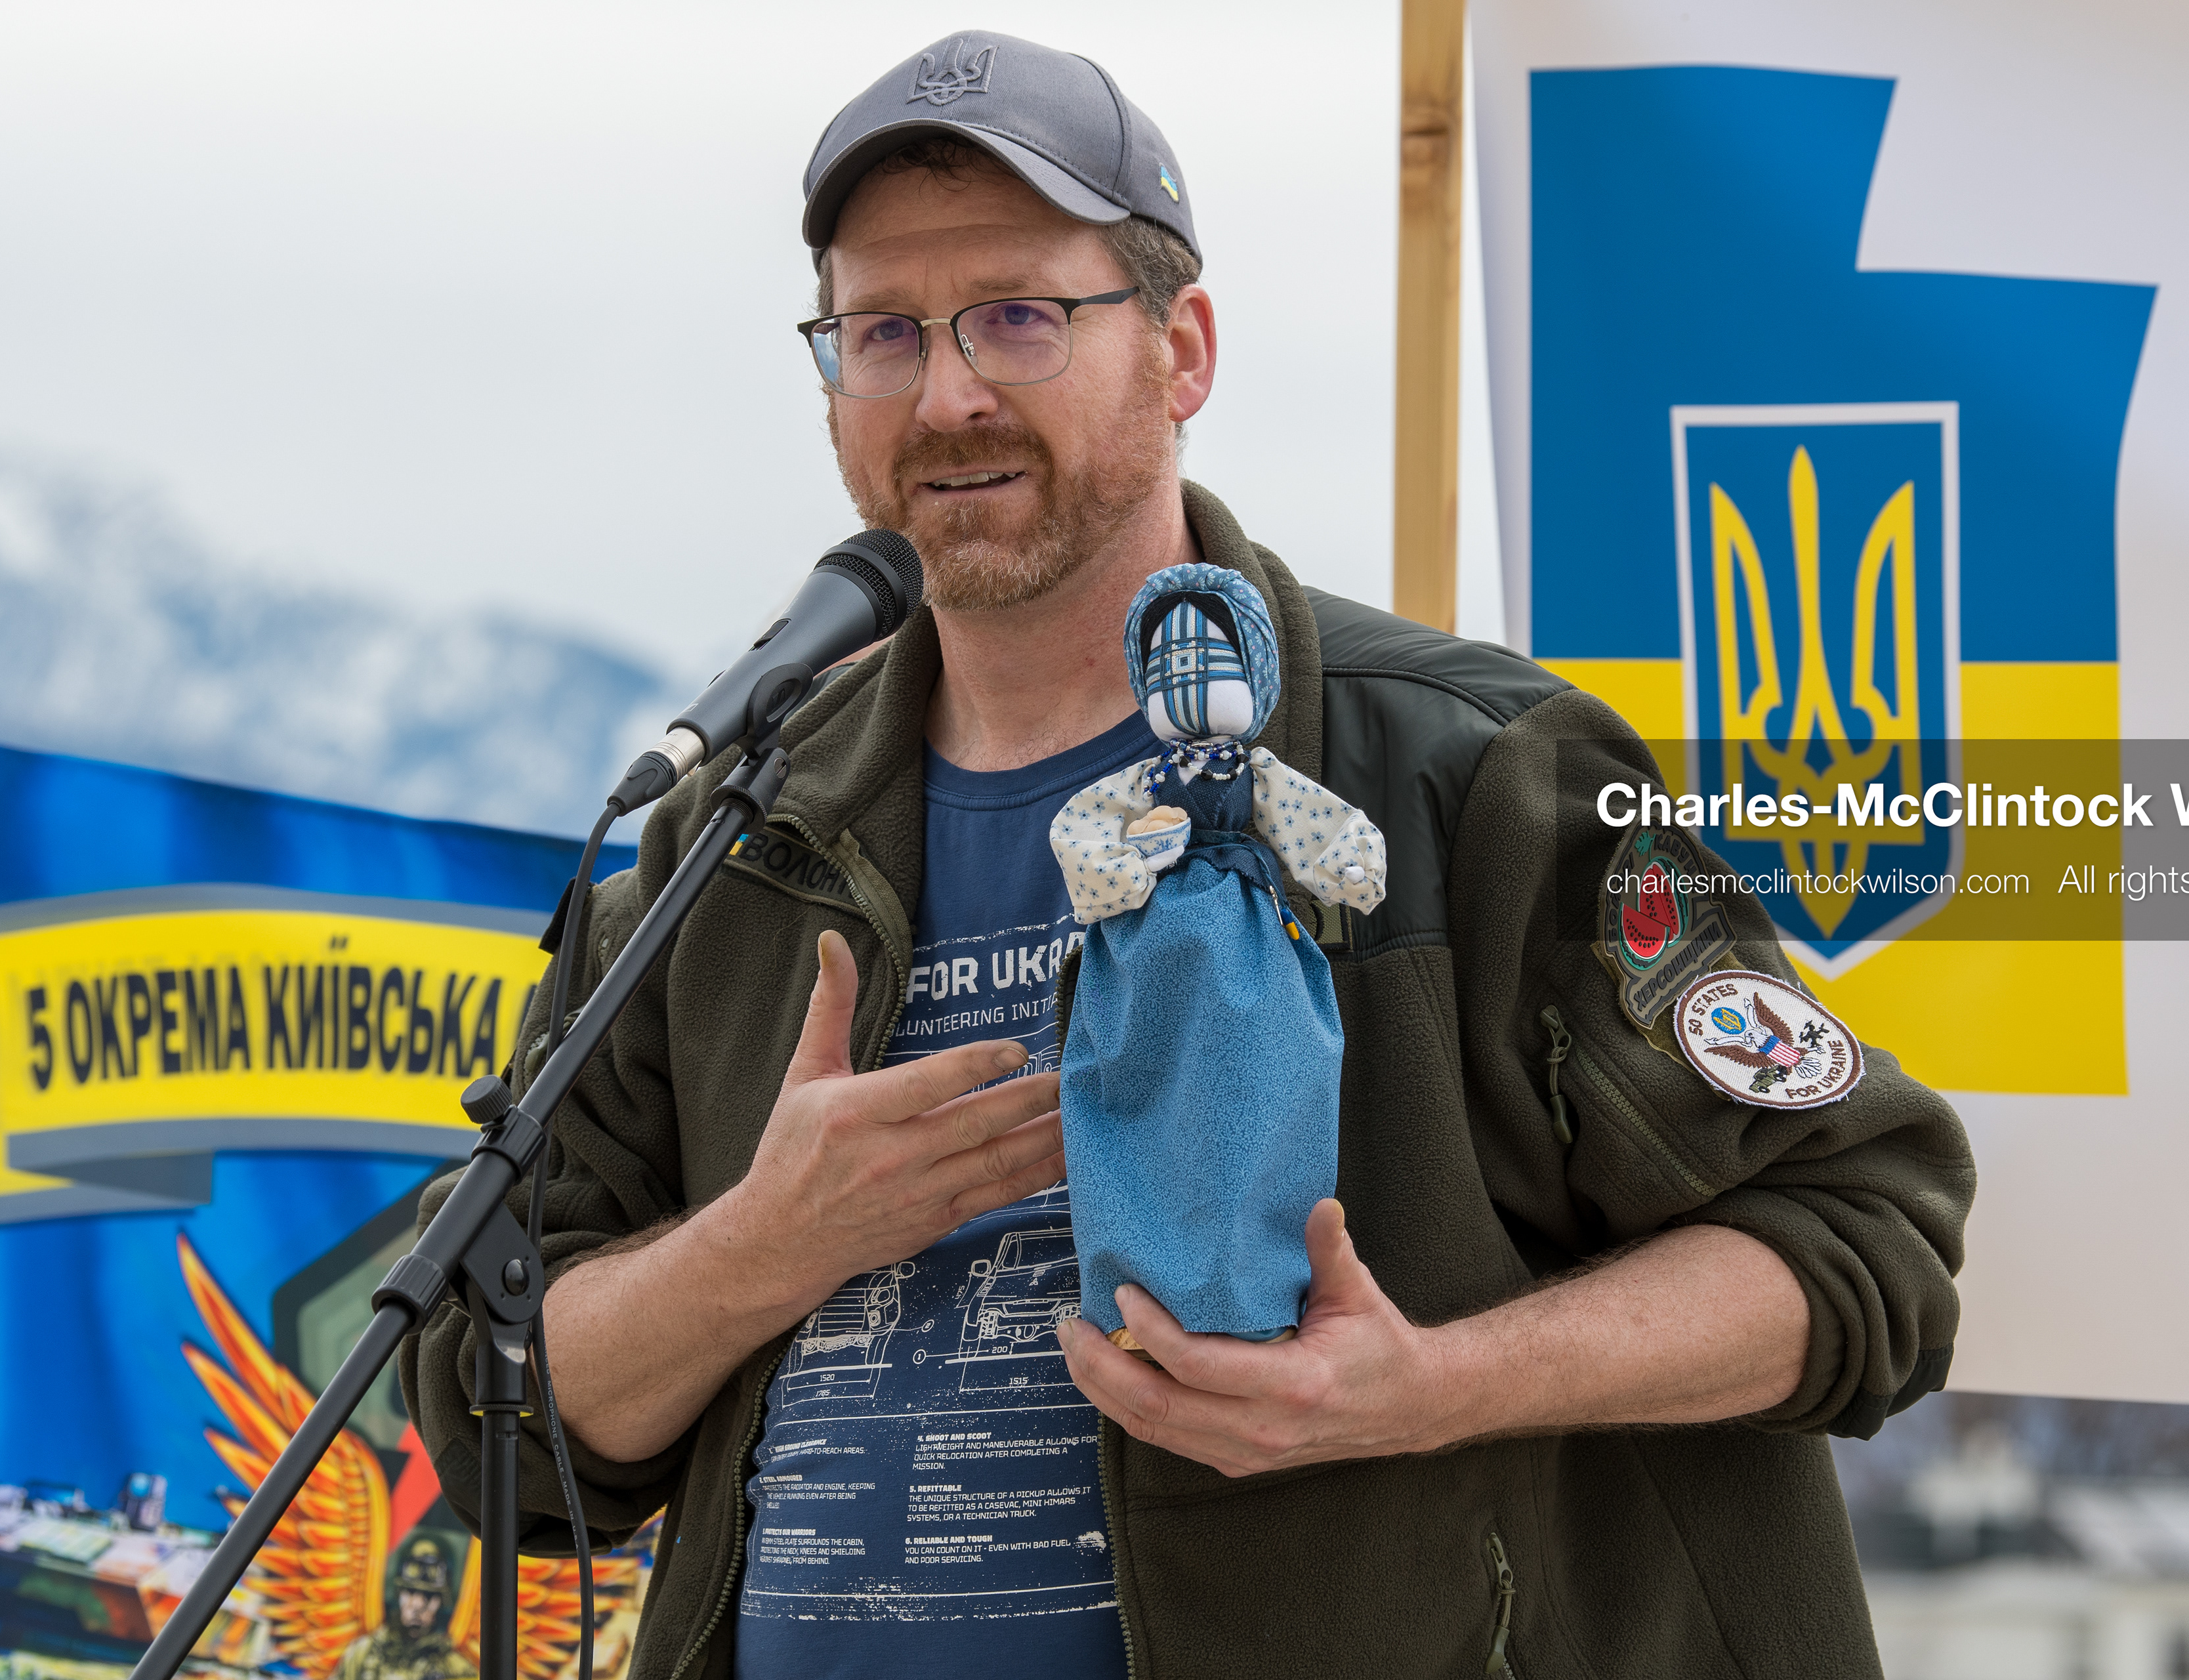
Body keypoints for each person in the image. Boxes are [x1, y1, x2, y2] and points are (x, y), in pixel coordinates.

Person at [398, 29, 1974, 1680]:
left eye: (1019, 314)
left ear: (1183, 349)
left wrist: (1428, 1386)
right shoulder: (728, 847)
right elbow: (488, 1405)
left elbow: (1861, 1231)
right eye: (882, 333)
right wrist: (760, 1245)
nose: (946, 394)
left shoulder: (1469, 773)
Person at [331, 1535, 472, 1680]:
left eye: (428, 1596)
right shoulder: (363, 1653)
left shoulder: (457, 1670)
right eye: (410, 1592)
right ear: (398, 1594)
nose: (417, 1605)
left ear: (442, 1602)